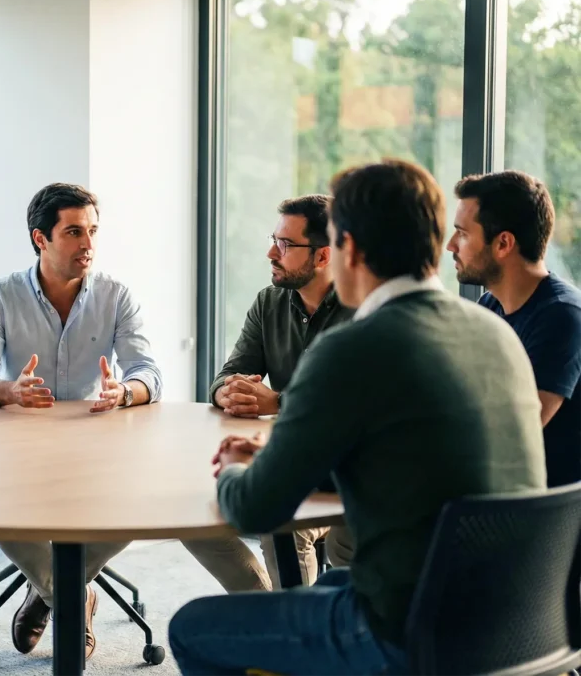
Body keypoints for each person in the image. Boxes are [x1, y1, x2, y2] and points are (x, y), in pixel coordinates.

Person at [169, 159, 547, 675]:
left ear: (347, 250)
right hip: (520, 618)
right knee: (326, 585)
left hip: (410, 629)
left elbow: (256, 511)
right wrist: (284, 455)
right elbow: (405, 454)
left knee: (193, 627)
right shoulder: (494, 333)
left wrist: (236, 470)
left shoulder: (354, 347)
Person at [0, 182, 272, 660]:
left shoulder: (116, 295)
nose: (88, 244)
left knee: (143, 502)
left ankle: (48, 590)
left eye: (93, 232)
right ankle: (71, 596)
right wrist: (9, 390)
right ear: (40, 239)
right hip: (19, 446)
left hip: (98, 443)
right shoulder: (0, 297)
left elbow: (150, 374)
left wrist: (123, 391)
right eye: (74, 233)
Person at [208, 194, 354, 588]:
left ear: (323, 257)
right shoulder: (269, 301)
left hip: (349, 468)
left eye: (285, 245)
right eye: (274, 240)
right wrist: (227, 391)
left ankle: (308, 624)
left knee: (284, 521)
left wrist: (278, 401)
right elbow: (230, 373)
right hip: (286, 454)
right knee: (199, 506)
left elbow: (360, 403)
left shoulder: (362, 308)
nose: (272, 252)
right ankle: (269, 606)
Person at [448, 170, 581, 486]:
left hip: (537, 517)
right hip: (494, 493)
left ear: (503, 243)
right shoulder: (489, 307)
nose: (450, 245)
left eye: (462, 234)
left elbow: (515, 433)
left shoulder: (563, 316)